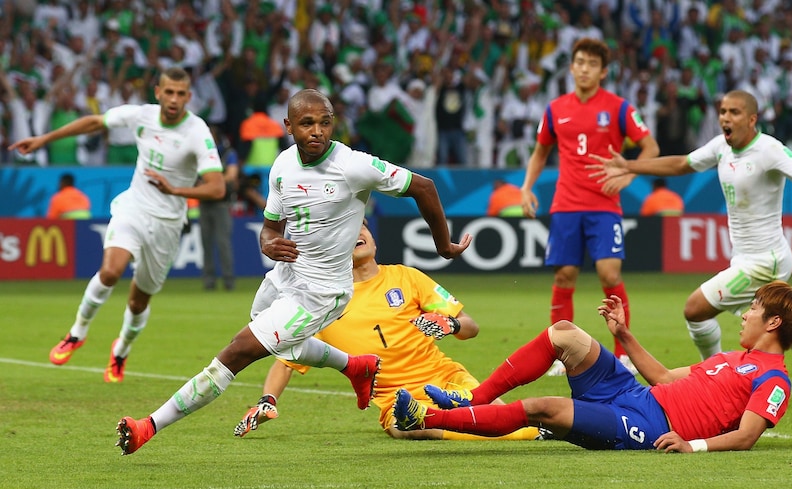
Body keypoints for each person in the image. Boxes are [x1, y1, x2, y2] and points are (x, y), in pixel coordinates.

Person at [112, 89, 472, 455]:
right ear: (288, 126)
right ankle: (355, 367)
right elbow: (271, 226)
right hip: (285, 277)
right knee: (286, 342)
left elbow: (423, 187)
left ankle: (150, 425)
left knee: (238, 351)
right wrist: (267, 243)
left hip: (322, 291)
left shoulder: (353, 165)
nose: (317, 131)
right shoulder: (283, 165)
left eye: (325, 122)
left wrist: (443, 245)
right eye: (306, 123)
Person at [586, 90, 792, 402]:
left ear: (752, 119)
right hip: (745, 258)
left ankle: (713, 381)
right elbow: (682, 164)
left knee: (695, 309)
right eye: (722, 111)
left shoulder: (770, 150)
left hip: (766, 259)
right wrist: (630, 166)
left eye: (734, 112)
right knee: (780, 317)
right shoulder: (722, 146)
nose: (725, 118)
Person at [394, 281, 792, 452]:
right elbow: (665, 378)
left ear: (772, 322)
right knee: (564, 332)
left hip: (648, 426)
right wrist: (624, 334)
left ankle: (430, 417)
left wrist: (692, 445)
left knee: (546, 406)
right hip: (637, 395)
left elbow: (746, 437)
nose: (744, 315)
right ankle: (473, 398)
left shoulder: (774, 378)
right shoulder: (730, 359)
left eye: (753, 309)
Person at [9, 67, 226, 382]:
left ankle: (121, 349)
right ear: (158, 93)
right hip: (133, 208)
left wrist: (175, 190)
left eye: (181, 94)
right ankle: (76, 332)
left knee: (139, 301)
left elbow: (217, 188)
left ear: (188, 97)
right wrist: (45, 138)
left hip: (167, 224)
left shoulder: (197, 131)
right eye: (169, 92)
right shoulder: (142, 116)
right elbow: (95, 121)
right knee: (110, 271)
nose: (174, 99)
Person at [233, 221, 537, 441]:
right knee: (408, 429)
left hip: (446, 378)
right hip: (396, 399)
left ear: (373, 239)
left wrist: (452, 324)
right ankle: (535, 431)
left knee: (492, 415)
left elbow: (471, 327)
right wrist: (267, 401)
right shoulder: (323, 302)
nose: (358, 233)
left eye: (362, 226)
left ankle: (537, 429)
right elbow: (285, 361)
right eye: (348, 233)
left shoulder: (407, 277)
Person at [519, 38, 660, 375]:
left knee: (608, 273)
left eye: (591, 64)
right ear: (571, 67)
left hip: (604, 205)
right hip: (566, 204)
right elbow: (540, 153)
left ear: (603, 72)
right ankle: (559, 351)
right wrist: (526, 187)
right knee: (565, 275)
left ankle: (623, 353)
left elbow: (650, 148)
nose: (584, 68)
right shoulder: (555, 108)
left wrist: (627, 174)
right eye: (579, 62)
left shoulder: (619, 107)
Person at [199, 132, 240, 291]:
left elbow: (231, 175)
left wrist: (210, 183)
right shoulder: (201, 155)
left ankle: (228, 281)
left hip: (221, 204)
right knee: (206, 244)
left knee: (223, 243)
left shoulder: (228, 153)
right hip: (204, 203)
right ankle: (209, 281)